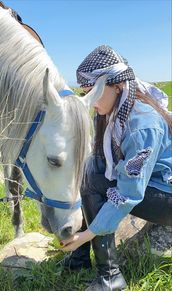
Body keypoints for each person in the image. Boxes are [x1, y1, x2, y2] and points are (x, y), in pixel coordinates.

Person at [60, 45, 172, 291]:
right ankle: (81, 257)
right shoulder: (113, 112)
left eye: (94, 92)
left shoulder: (141, 126)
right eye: (86, 92)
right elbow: (99, 161)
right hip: (156, 183)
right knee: (90, 169)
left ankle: (109, 276)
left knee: (93, 180)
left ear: (117, 86)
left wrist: (86, 235)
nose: (90, 101)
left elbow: (129, 193)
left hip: (167, 194)